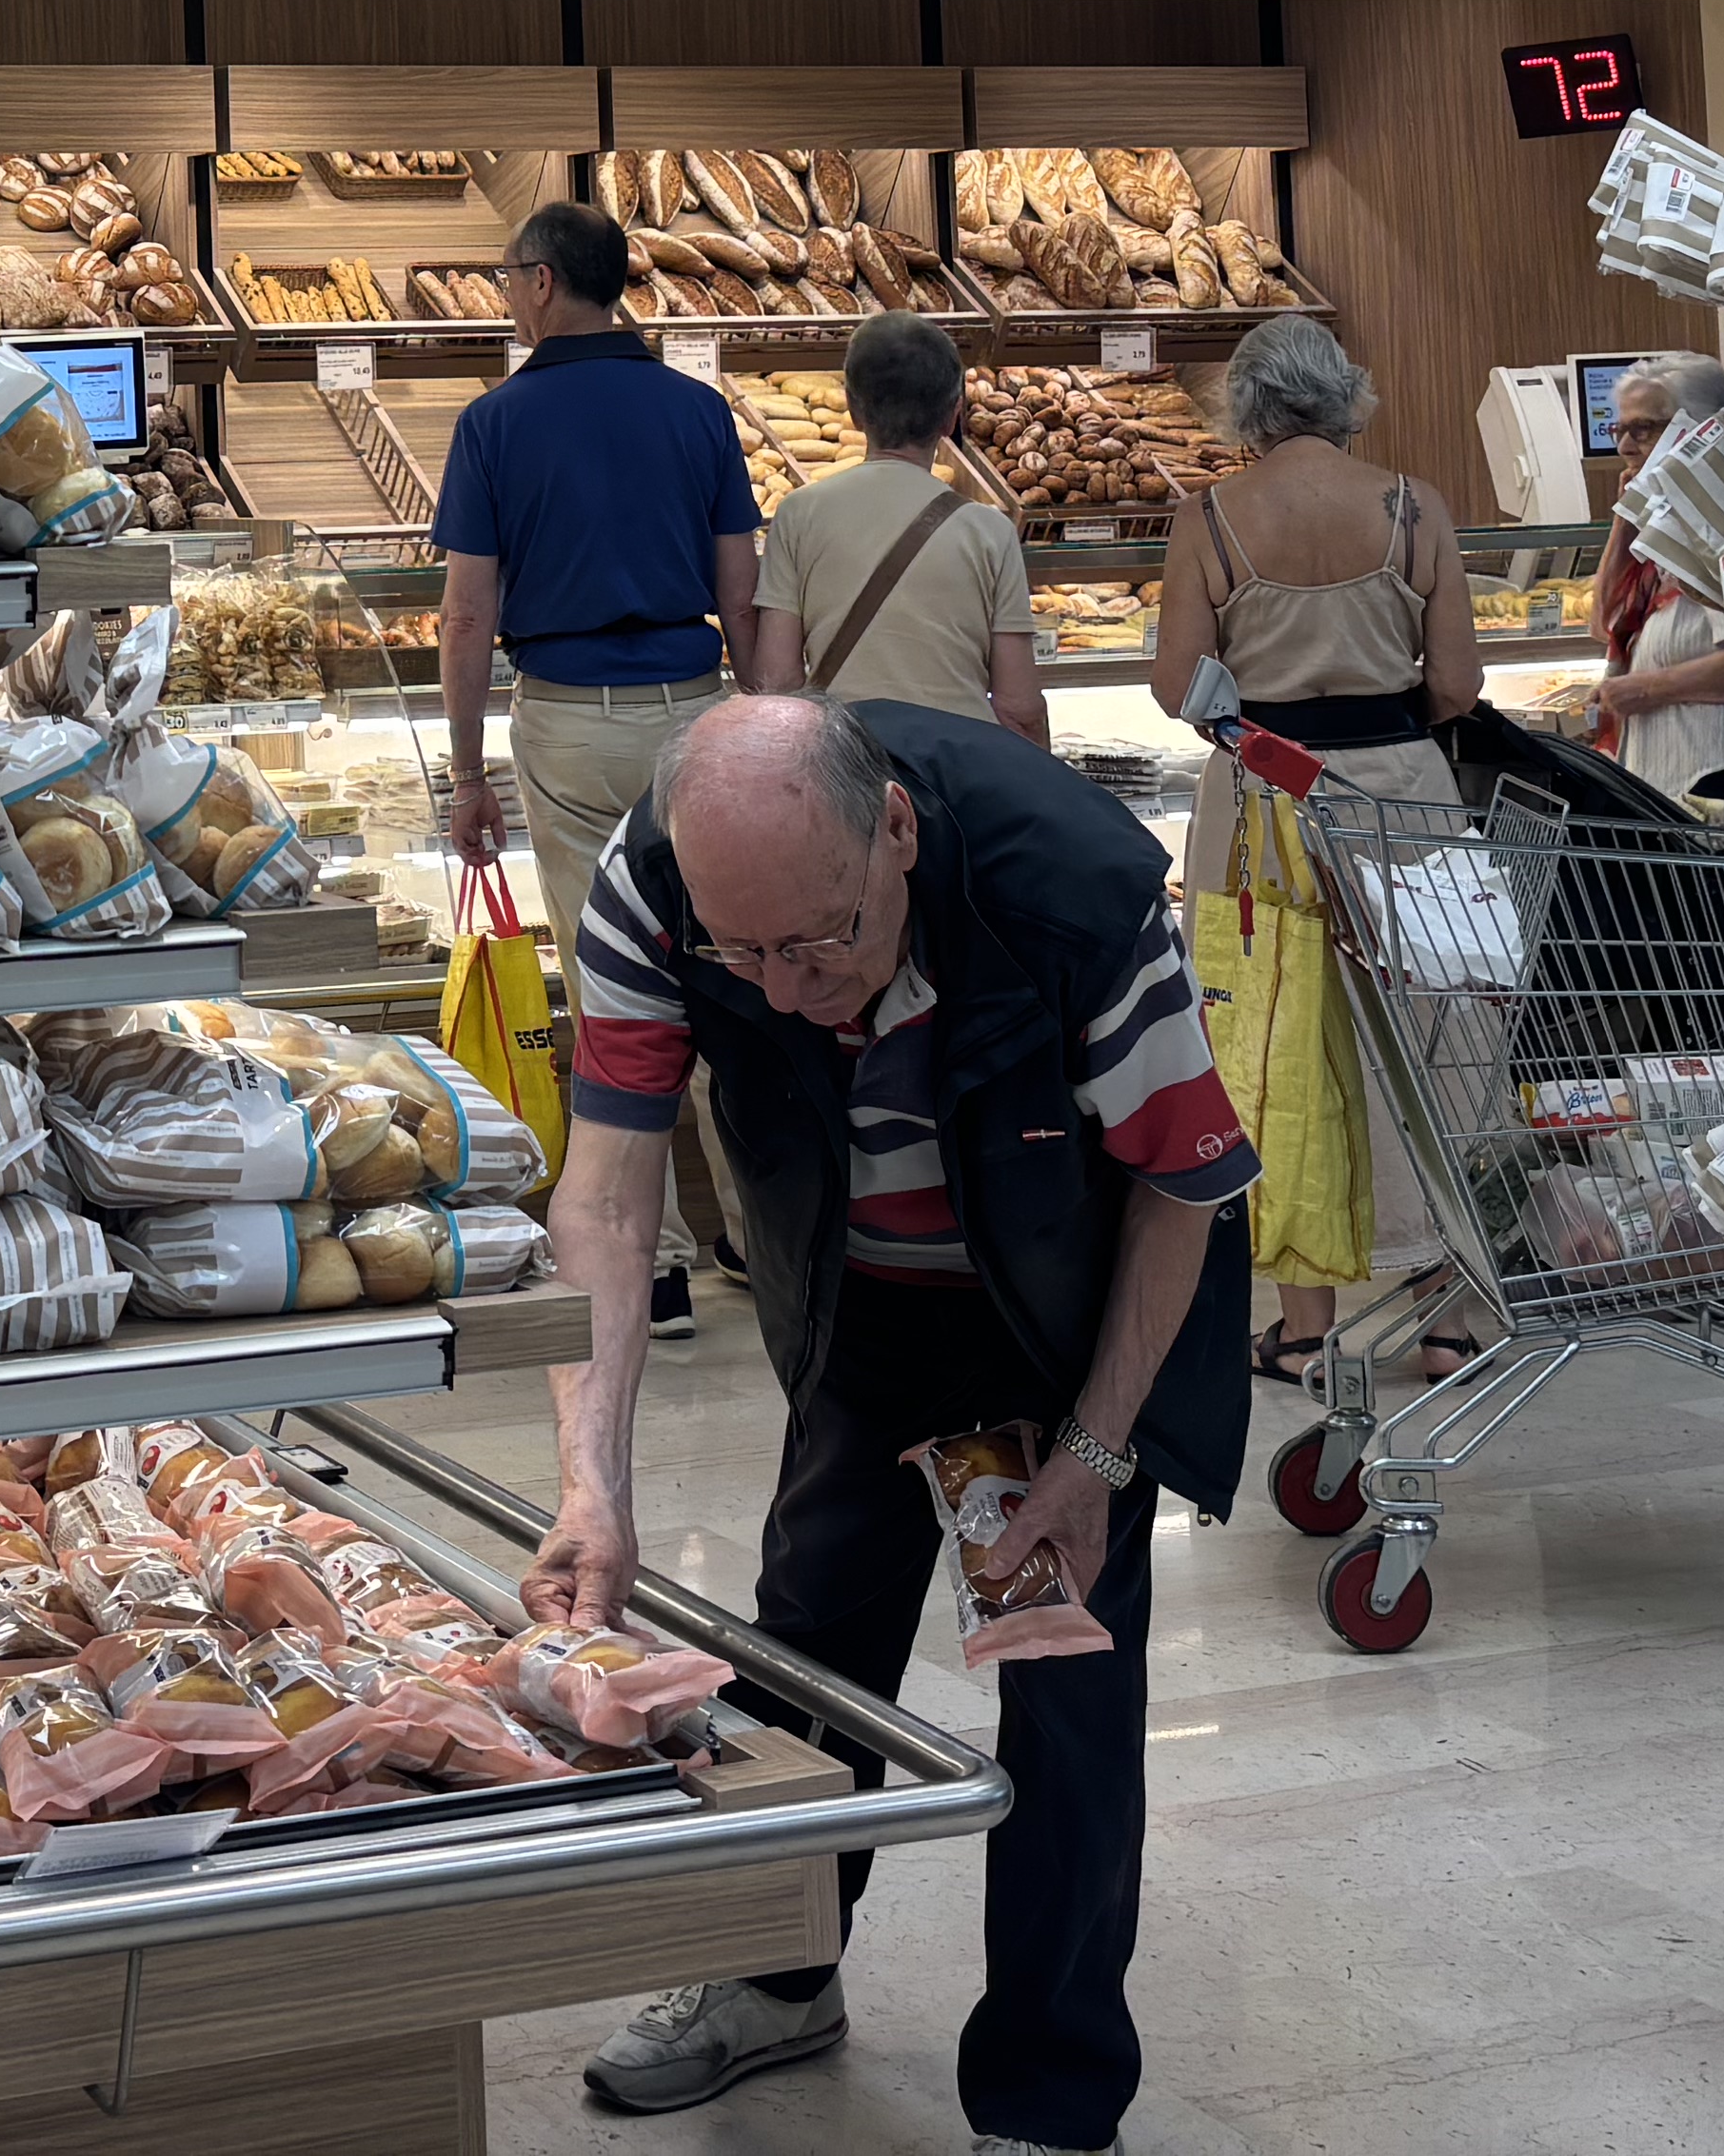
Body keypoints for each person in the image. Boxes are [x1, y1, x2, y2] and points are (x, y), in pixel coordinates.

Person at [539, 693, 1253, 2145]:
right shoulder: (649, 885)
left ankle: (1052, 2092)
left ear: (900, 837)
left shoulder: (1082, 893)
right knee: (804, 1638)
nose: (788, 992)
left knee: (1066, 1687)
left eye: (820, 942)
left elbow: (1185, 1183)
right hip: (858, 1296)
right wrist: (591, 1483)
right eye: (744, 956)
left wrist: (1098, 1451)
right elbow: (608, 1192)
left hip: (1064, 1309)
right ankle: (776, 1976)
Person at [439, 198, 762, 1338]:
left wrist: (468, 773)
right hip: (697, 720)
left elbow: (469, 616)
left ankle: (656, 1269)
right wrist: (760, 726)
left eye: (504, 278)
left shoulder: (494, 425)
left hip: (568, 721)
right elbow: (742, 590)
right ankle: (765, 1244)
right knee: (731, 971)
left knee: (614, 989)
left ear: (537, 283)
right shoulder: (697, 410)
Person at [1148, 313, 1482, 1388]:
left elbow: (1176, 691)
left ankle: (1304, 1327)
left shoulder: (1209, 518)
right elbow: (1458, 686)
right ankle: (1446, 1315)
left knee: (1279, 1044)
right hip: (1405, 800)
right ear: (1347, 396)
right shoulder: (1411, 506)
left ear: (1245, 408)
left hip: (1259, 803)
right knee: (1439, 1040)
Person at [747, 312, 1046, 741]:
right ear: (953, 417)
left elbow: (778, 685)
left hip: (848, 764)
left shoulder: (798, 514)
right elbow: (1019, 708)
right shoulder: (990, 530)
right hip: (960, 768)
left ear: (853, 409)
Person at [1590, 353, 1724, 814]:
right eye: (1620, 431)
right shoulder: (1663, 517)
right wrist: (1626, 517)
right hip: (1672, 786)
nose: (1626, 447)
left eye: (1643, 430)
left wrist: (1647, 689)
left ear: (1698, 429)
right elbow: (1604, 621)